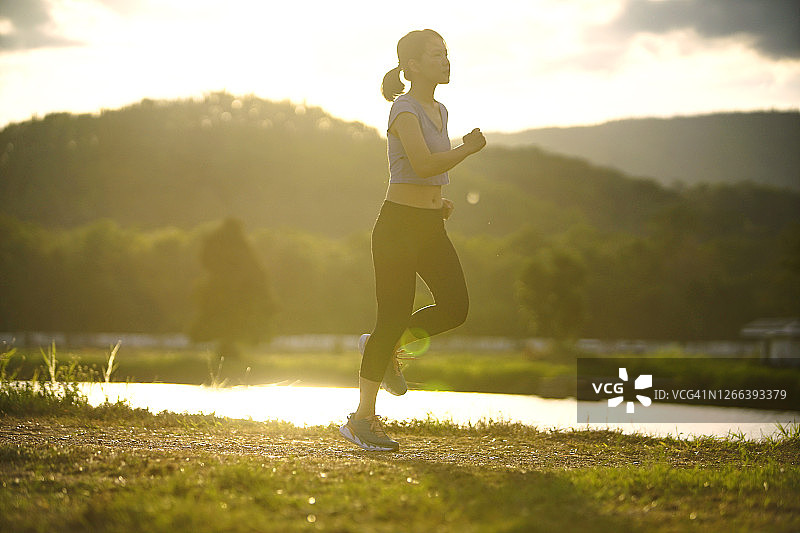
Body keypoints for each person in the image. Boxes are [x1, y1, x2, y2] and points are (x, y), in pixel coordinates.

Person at [339, 29, 486, 451]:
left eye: (447, 54)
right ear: (413, 66)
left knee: (455, 307)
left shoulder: (440, 109)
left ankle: (385, 348)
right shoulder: (403, 109)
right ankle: (361, 420)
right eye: (436, 55)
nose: (446, 61)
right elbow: (421, 164)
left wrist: (437, 203)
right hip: (398, 227)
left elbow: (425, 172)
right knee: (392, 316)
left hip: (429, 224)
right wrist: (466, 149)